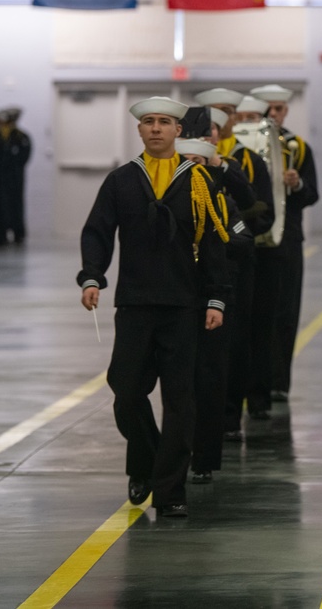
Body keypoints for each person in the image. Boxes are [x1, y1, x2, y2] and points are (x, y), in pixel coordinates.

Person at [77, 97, 230, 518]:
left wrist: (216, 298)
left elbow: (215, 243)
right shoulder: (121, 181)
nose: (157, 128)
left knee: (180, 400)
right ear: (140, 130)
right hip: (135, 303)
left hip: (184, 306)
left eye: (164, 122)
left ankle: (169, 489)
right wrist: (92, 275)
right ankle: (145, 461)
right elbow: (98, 232)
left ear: (179, 131)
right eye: (149, 122)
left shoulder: (199, 181)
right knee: (126, 391)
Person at [176, 110, 254, 484]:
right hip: (176, 296)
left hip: (216, 293)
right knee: (179, 381)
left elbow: (243, 238)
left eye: (199, 160)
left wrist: (213, 241)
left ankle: (204, 457)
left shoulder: (220, 199)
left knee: (210, 376)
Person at [195, 88, 276, 423]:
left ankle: (230, 413)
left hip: (237, 263)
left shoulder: (247, 160)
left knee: (238, 339)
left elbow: (263, 214)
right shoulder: (184, 161)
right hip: (196, 267)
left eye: (228, 112)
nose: (221, 121)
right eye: (214, 113)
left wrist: (234, 234)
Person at [250, 84, 320, 405]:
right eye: (268, 109)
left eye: (279, 109)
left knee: (285, 311)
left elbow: (313, 195)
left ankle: (279, 382)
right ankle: (252, 382)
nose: (273, 115)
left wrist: (298, 183)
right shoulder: (245, 145)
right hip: (252, 241)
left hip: (288, 240)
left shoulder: (298, 147)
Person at [0, 106, 31, 245]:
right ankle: (0, 234)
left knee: (16, 205)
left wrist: (13, 168)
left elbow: (24, 156)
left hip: (15, 178)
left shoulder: (21, 137)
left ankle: (18, 233)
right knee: (0, 207)